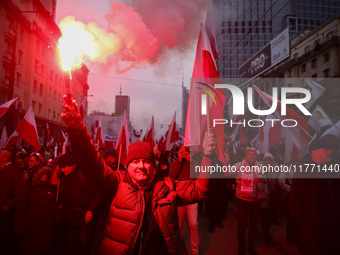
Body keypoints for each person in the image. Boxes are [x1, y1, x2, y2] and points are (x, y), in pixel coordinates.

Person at [61, 100, 215, 255]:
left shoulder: (167, 188)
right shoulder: (116, 182)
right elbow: (91, 163)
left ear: (153, 168)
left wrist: (207, 157)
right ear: (128, 166)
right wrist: (77, 128)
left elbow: (199, 190)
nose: (141, 165)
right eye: (135, 161)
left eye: (146, 161)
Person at [289, 134, 340, 255]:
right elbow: (294, 202)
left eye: (334, 149)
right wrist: (305, 225)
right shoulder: (304, 170)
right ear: (316, 151)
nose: (331, 152)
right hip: (313, 231)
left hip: (333, 230)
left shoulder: (332, 167)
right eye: (328, 149)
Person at [57, 154, 103, 255]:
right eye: (61, 168)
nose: (62, 170)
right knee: (71, 244)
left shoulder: (84, 175)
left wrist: (90, 209)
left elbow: (98, 192)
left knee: (84, 242)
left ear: (73, 165)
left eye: (64, 167)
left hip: (83, 217)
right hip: (68, 217)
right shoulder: (63, 177)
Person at [14, 166, 60, 255]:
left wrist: (57, 221)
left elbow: (53, 206)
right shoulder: (28, 189)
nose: (45, 176)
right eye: (43, 174)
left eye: (47, 174)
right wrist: (18, 231)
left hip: (47, 228)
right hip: (31, 230)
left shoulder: (48, 188)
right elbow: (20, 211)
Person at [233, 147, 266, 255]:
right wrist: (226, 163)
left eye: (253, 155)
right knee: (242, 224)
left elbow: (263, 181)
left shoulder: (259, 166)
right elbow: (227, 172)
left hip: (256, 201)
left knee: (254, 226)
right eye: (249, 154)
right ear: (245, 155)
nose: (251, 156)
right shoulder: (239, 165)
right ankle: (241, 246)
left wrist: (263, 194)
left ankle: (251, 246)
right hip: (242, 200)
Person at [169, 146, 199, 255]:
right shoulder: (176, 162)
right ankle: (178, 249)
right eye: (182, 150)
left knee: (193, 224)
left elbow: (199, 176)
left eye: (186, 150)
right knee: (179, 225)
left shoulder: (194, 161)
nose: (184, 152)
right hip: (180, 197)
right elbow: (171, 176)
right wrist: (179, 161)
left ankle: (195, 252)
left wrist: (193, 161)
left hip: (192, 198)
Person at [0, 148, 24, 255]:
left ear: (5, 157)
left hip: (4, 209)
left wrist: (9, 205)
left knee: (4, 235)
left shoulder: (13, 172)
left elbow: (19, 191)